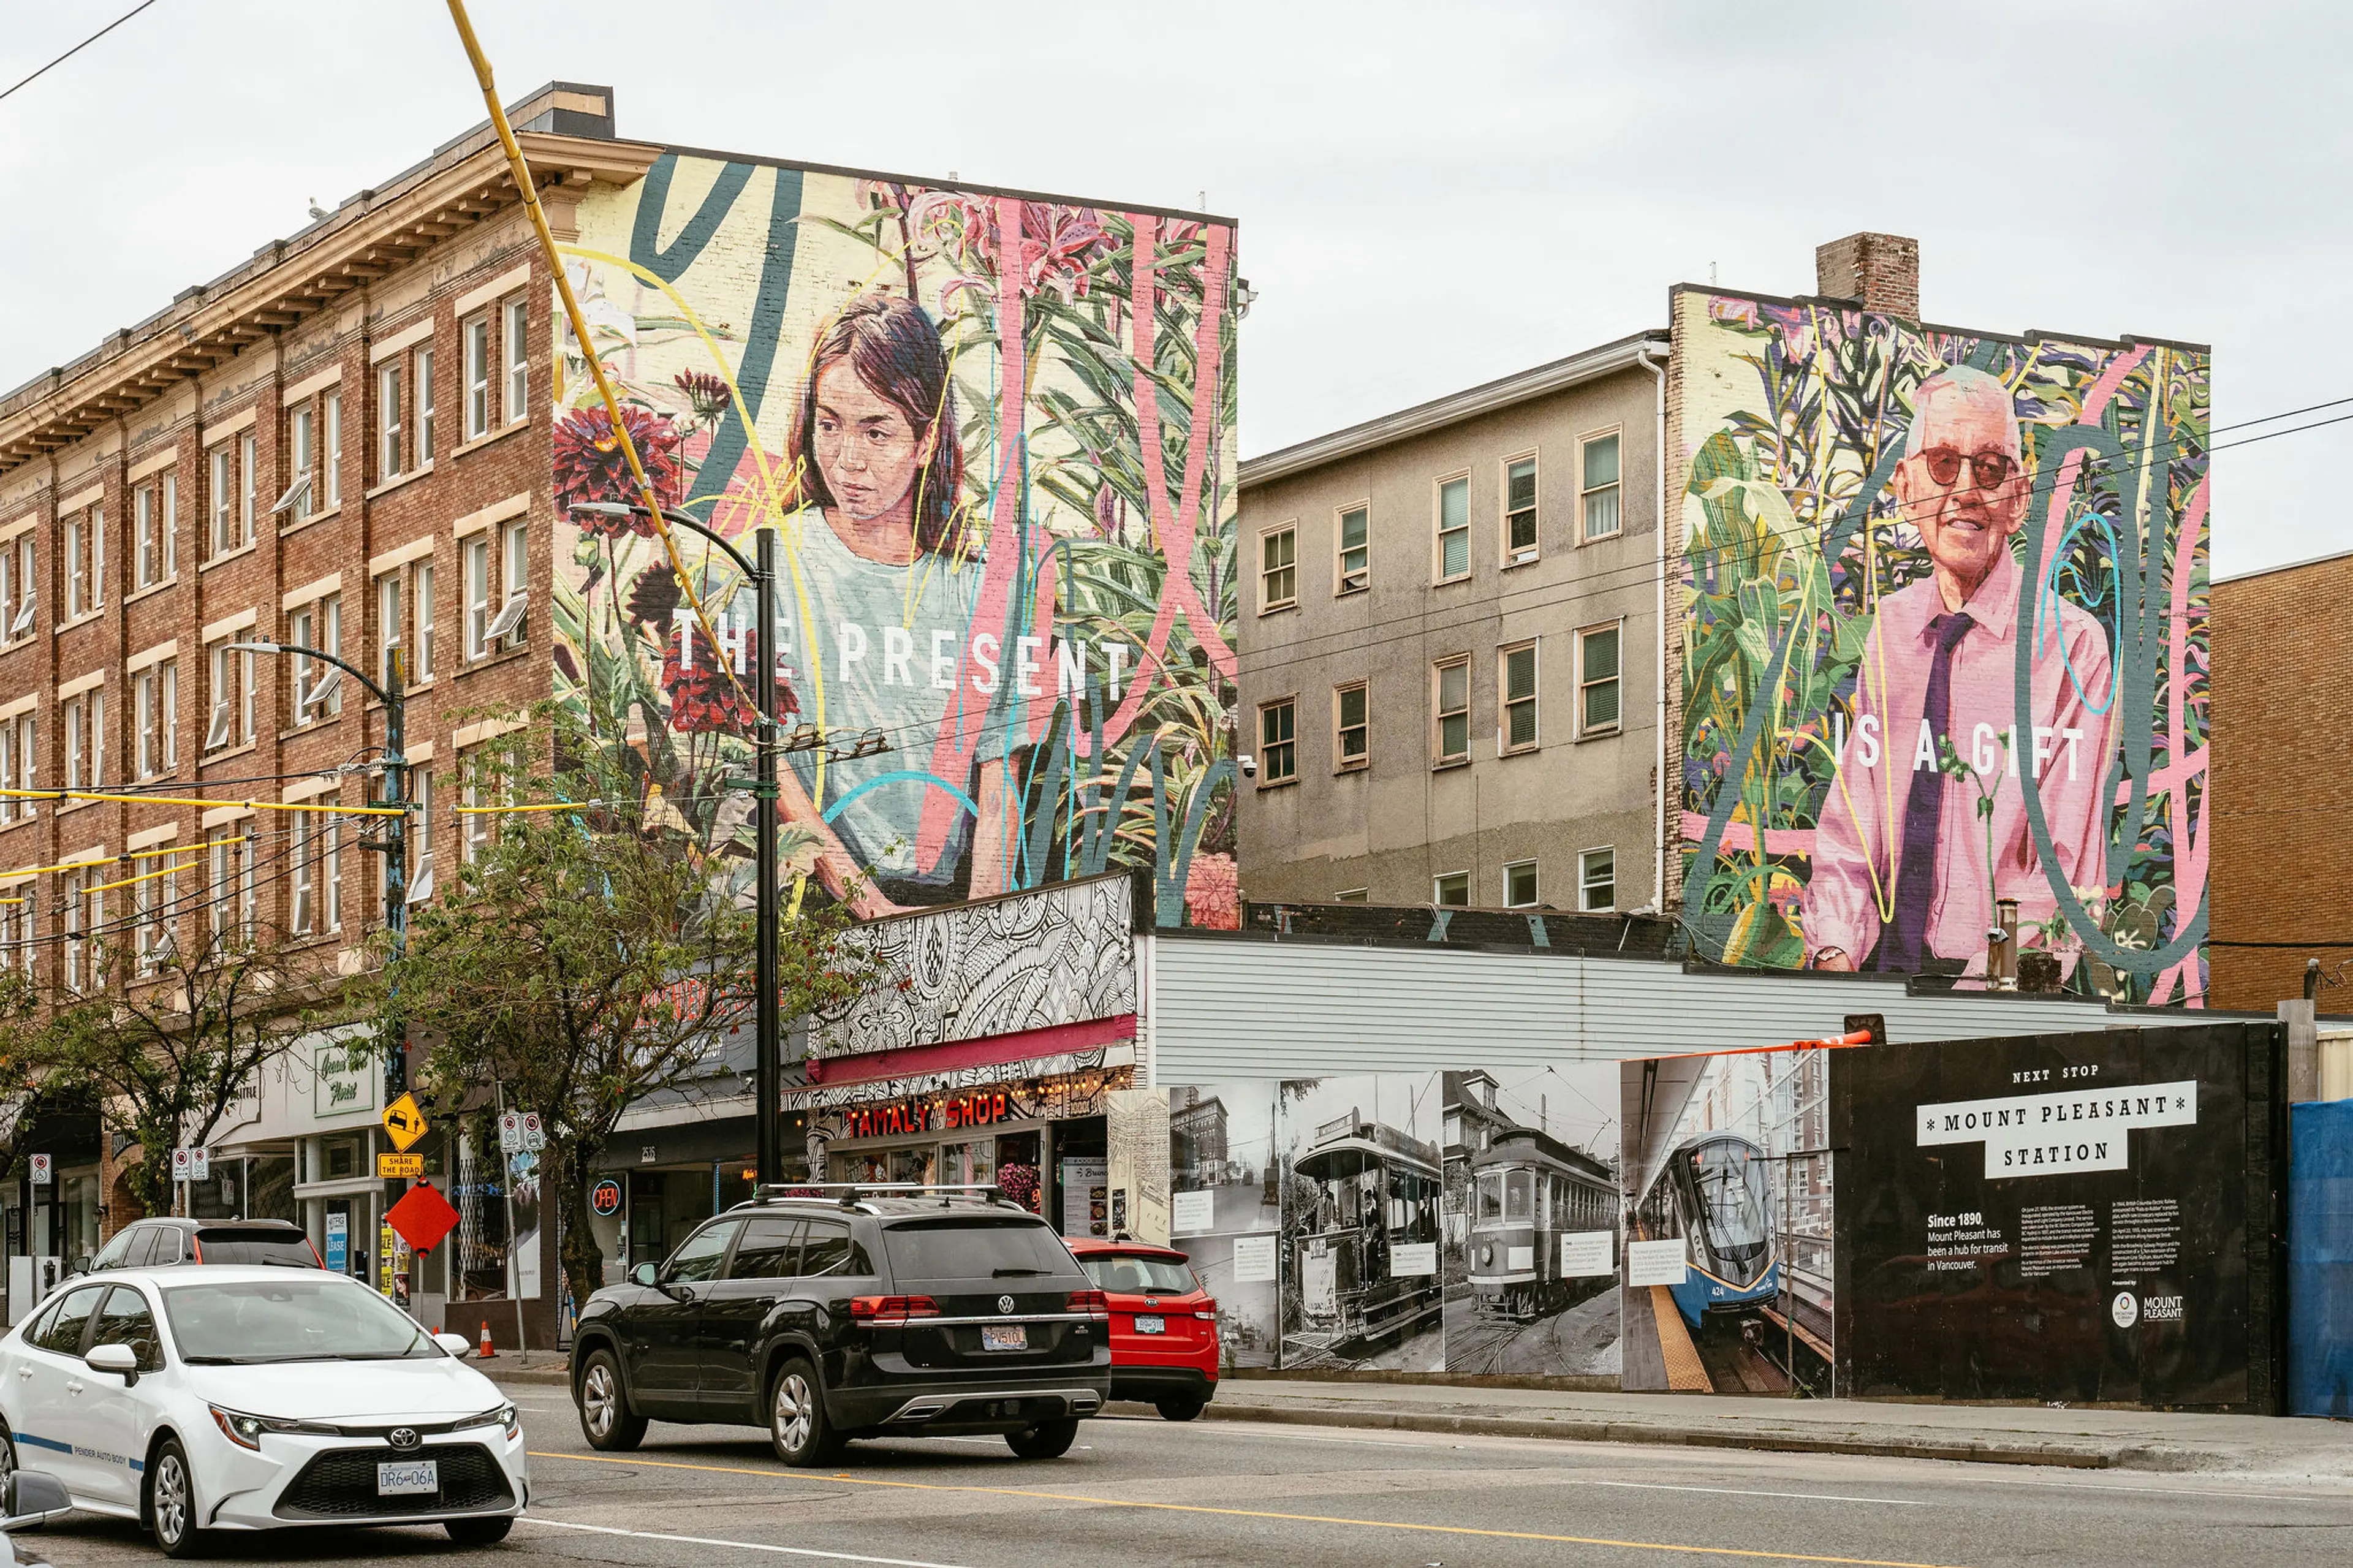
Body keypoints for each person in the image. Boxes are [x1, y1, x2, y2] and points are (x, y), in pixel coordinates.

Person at [1803, 366, 2116, 975]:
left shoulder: (2071, 646)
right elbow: (1853, 822)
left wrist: (1972, 1005)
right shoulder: (1891, 629)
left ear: (2019, 498)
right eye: (1943, 463)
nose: (1967, 489)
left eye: (1991, 468)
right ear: (1905, 484)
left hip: (1995, 986)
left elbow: (2064, 863)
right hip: (1873, 977)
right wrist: (1835, 955)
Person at [753, 291, 1020, 914]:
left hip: (948, 905)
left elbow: (997, 772)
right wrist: (872, 909)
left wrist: (981, 919)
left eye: (877, 431)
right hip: (809, 908)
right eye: (829, 425)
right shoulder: (766, 566)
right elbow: (771, 768)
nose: (848, 460)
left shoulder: (977, 588)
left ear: (926, 443)